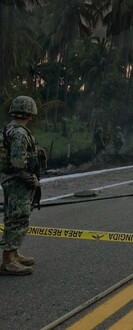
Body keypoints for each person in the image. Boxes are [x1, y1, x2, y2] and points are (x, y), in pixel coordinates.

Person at [1, 96, 45, 276]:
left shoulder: (11, 129)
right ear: (29, 113)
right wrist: (32, 180)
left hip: (13, 179)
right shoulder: (19, 133)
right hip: (17, 180)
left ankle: (14, 253)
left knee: (14, 216)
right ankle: (8, 260)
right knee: (18, 217)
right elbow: (19, 163)